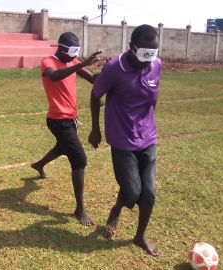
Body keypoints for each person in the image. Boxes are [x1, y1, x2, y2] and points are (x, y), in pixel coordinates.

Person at [88, 24, 161, 256]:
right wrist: (95, 129)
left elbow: (153, 98)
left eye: (153, 54)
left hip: (147, 138)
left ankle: (140, 237)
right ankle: (117, 208)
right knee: (132, 193)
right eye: (144, 54)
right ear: (132, 47)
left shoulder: (156, 65)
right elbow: (95, 94)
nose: (149, 60)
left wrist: (149, 124)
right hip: (122, 140)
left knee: (148, 194)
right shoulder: (113, 68)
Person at [31, 32, 102, 226]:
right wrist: (80, 64)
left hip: (71, 119)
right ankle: (80, 209)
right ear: (62, 48)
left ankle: (39, 165)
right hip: (57, 120)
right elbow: (54, 76)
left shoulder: (72, 61)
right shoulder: (48, 62)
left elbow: (93, 79)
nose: (74, 56)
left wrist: (110, 69)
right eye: (72, 52)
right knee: (79, 158)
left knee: (63, 147)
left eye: (76, 53)